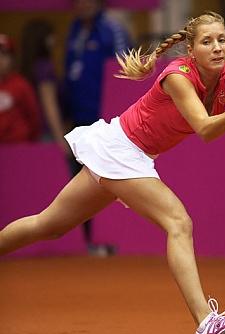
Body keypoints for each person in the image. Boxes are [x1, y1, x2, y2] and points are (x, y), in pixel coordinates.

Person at [0, 11, 225, 334]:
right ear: (190, 50)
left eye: (222, 40)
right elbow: (205, 128)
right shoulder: (177, 76)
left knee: (49, 225)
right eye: (207, 42)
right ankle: (205, 323)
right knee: (178, 222)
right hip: (122, 148)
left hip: (125, 152)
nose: (217, 48)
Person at [64, 0, 133, 254]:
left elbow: (125, 73)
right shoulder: (74, 29)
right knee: (80, 182)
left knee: (107, 180)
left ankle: (107, 239)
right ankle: (87, 241)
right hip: (78, 121)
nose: (83, 4)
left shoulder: (112, 29)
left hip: (104, 121)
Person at [20, 20, 70, 154]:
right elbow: (50, 107)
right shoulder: (45, 68)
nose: (54, 41)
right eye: (52, 36)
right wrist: (61, 140)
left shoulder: (29, 66)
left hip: (34, 131)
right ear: (44, 40)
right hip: (48, 134)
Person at [0, 34, 41, 144]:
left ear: (12, 59)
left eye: (4, 55)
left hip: (18, 146)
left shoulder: (20, 85)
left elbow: (34, 117)